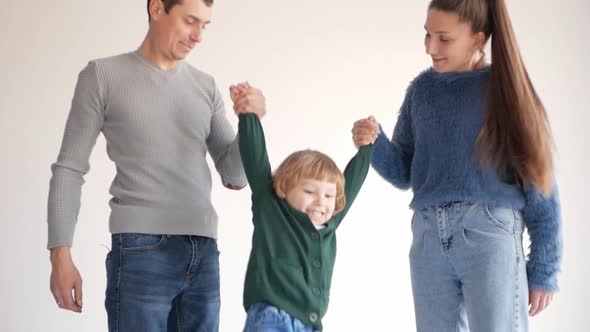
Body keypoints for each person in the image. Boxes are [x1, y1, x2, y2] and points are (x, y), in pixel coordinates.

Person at [47, 0, 265, 331]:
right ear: (156, 8)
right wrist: (60, 255)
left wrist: (251, 122)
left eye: (205, 25)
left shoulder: (205, 86)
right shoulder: (103, 75)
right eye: (190, 21)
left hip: (203, 252)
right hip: (141, 252)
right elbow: (70, 168)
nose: (198, 36)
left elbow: (234, 176)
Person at [352, 0, 562, 331]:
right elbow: (404, 172)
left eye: (443, 38)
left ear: (477, 39)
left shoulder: (505, 90)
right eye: (427, 35)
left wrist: (545, 269)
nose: (430, 47)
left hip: (489, 235)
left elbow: (540, 181)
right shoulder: (421, 91)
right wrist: (374, 143)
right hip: (428, 239)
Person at [230, 83, 377, 331]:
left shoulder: (328, 224)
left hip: (310, 324)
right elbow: (255, 159)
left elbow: (349, 186)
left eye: (329, 195)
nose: (321, 202)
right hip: (273, 318)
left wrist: (366, 148)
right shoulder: (272, 209)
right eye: (309, 192)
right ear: (285, 188)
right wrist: (249, 116)